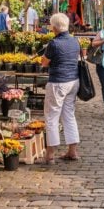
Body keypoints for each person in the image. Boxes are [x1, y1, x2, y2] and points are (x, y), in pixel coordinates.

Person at [40, 13, 80, 163]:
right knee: (69, 115)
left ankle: (50, 155)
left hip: (58, 82)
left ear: (55, 27)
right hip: (73, 81)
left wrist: (43, 59)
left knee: (52, 117)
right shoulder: (74, 40)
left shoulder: (54, 43)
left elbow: (44, 63)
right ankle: (72, 151)